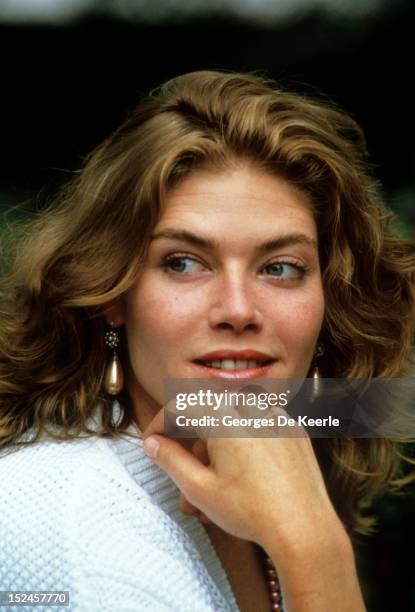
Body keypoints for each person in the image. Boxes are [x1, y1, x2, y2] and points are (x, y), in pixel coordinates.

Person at [0, 70, 414, 612]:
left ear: (329, 303)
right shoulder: (62, 523)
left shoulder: (278, 469)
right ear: (113, 295)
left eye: (282, 268)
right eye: (184, 262)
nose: (238, 311)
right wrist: (317, 556)